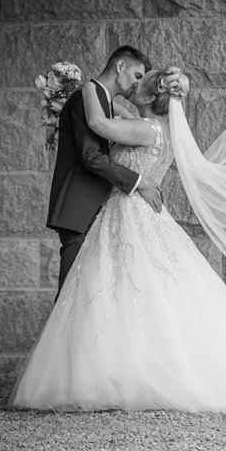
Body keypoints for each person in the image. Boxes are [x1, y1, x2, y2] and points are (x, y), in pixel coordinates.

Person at [10, 67, 226, 413]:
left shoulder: (146, 129)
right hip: (142, 214)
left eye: (139, 84)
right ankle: (125, 370)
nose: (132, 89)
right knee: (142, 291)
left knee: (126, 288)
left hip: (129, 211)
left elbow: (101, 124)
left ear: (151, 95)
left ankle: (121, 372)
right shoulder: (162, 129)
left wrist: (87, 88)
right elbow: (118, 115)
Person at [45, 46, 164, 298]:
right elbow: (91, 157)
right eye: (137, 75)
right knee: (69, 299)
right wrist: (139, 181)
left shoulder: (102, 103)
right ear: (120, 66)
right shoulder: (83, 99)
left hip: (97, 211)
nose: (137, 84)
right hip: (80, 211)